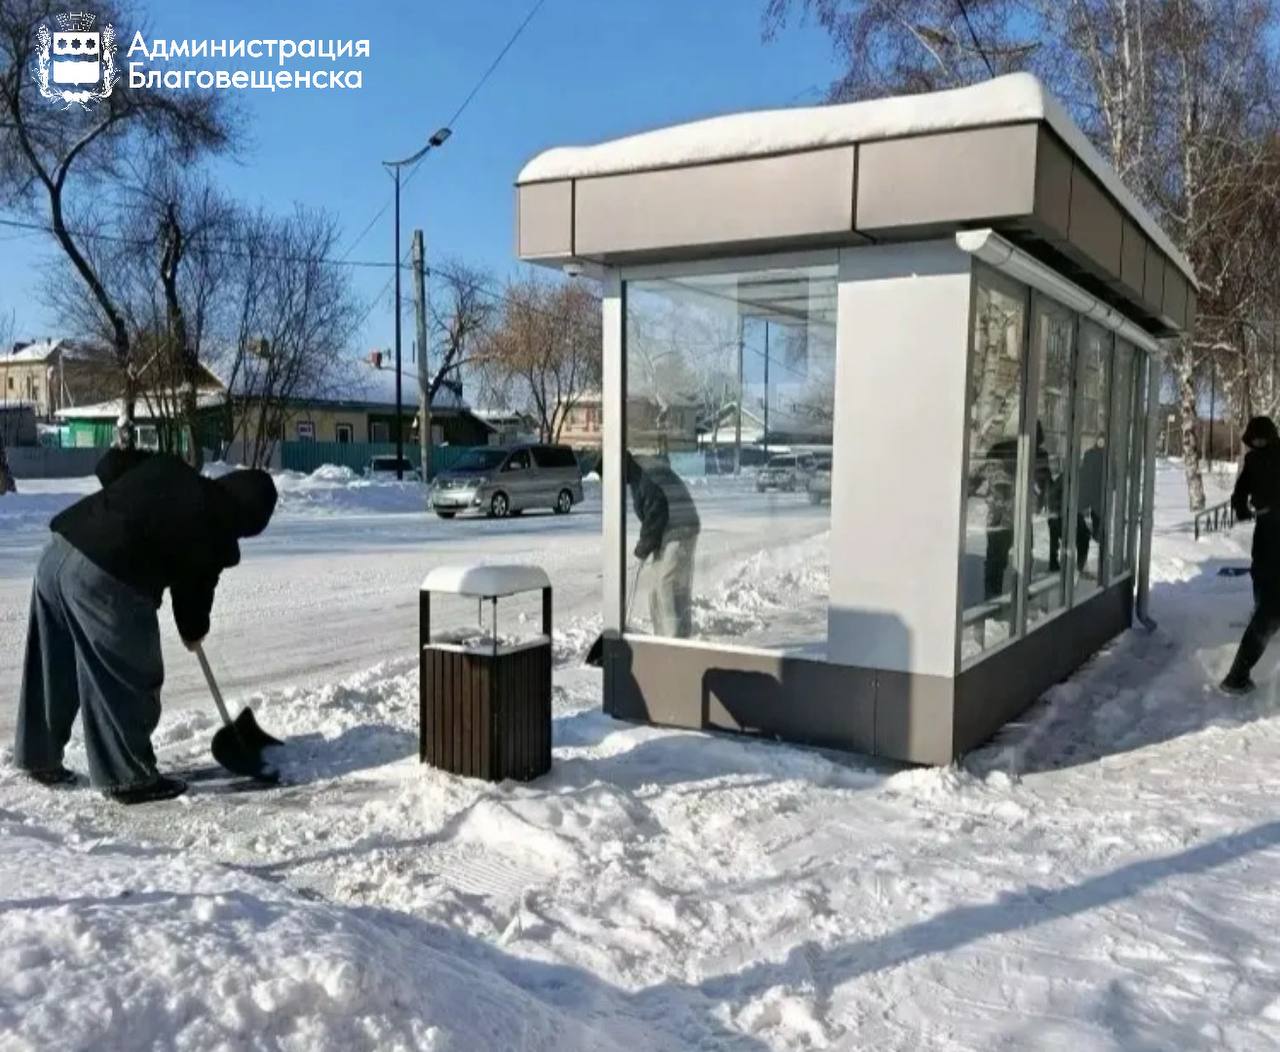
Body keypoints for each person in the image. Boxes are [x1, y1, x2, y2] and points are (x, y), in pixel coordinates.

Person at [14, 448, 278, 803]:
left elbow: (109, 465)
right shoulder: (215, 526)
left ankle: (39, 757)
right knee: (130, 670)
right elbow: (194, 592)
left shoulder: (171, 468)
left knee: (53, 663)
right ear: (247, 522)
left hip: (58, 552)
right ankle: (128, 778)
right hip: (105, 572)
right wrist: (193, 630)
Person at [1221, 416, 1280, 694]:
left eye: (1261, 439)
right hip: (1267, 531)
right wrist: (1241, 508)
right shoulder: (1253, 461)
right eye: (1254, 440)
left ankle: (1263, 620)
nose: (1257, 444)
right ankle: (1237, 675)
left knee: (1270, 600)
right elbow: (1240, 491)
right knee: (1266, 591)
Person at [625, 451, 700, 638]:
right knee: (656, 589)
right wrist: (647, 543)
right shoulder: (638, 471)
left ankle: (675, 642)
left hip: (680, 528)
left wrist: (643, 548)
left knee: (668, 585)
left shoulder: (644, 476)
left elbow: (656, 512)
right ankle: (664, 638)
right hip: (668, 530)